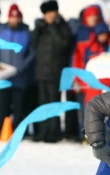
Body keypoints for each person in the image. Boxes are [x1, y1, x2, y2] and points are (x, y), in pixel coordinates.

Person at [30, 0, 72, 143]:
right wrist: (39, 28)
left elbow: (64, 44)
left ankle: (54, 133)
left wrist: (53, 27)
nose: (49, 16)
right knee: (42, 103)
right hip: (41, 72)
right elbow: (33, 44)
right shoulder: (41, 26)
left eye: (51, 12)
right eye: (47, 13)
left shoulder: (62, 26)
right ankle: (43, 131)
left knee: (54, 102)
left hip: (56, 72)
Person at [0, 4, 33, 131]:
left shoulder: (27, 33)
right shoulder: (0, 32)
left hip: (19, 78)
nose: (14, 20)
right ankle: (0, 129)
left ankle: (18, 131)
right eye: (12, 17)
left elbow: (31, 53)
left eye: (17, 17)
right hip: (3, 78)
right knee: (2, 106)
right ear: (8, 17)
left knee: (18, 107)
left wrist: (21, 67)